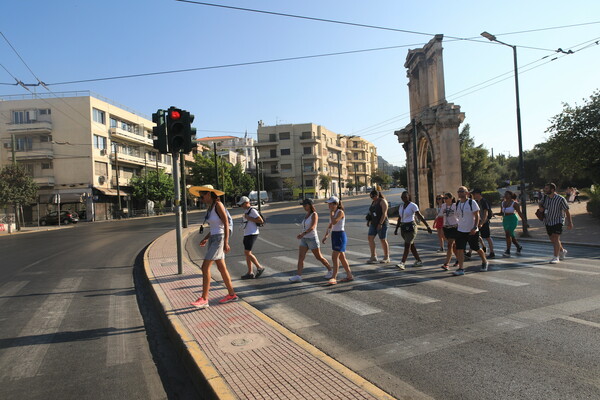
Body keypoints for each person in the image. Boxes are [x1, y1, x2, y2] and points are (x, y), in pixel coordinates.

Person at [190, 185, 237, 309]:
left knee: (205, 267)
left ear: (209, 194)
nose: (201, 199)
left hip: (220, 239)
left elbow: (225, 223)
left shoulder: (218, 205)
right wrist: (206, 238)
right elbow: (214, 227)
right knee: (221, 268)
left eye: (202, 196)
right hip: (213, 239)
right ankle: (232, 294)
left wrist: (226, 242)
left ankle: (204, 299)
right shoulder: (211, 208)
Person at [289, 198, 332, 282]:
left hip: (312, 238)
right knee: (301, 257)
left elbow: (312, 227)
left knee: (318, 257)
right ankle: (298, 276)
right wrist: (302, 234)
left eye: (305, 205)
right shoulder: (307, 214)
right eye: (303, 206)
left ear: (310, 205)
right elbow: (306, 226)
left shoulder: (314, 214)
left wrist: (303, 234)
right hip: (304, 239)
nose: (304, 207)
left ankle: (330, 270)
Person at [452, 186, 489, 276]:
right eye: (458, 191)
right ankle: (461, 268)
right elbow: (457, 215)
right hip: (460, 230)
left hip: (471, 230)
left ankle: (484, 261)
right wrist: (457, 224)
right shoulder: (457, 204)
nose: (460, 193)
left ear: (467, 193)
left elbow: (477, 216)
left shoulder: (472, 202)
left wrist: (475, 227)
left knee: (475, 247)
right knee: (460, 249)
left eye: (462, 191)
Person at [394, 191, 432, 270]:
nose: (404, 198)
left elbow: (420, 216)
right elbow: (399, 218)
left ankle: (402, 263)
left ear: (409, 197)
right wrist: (396, 228)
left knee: (407, 245)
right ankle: (418, 261)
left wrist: (427, 226)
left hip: (411, 227)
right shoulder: (401, 206)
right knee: (411, 245)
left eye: (405, 197)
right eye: (402, 197)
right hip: (403, 227)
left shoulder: (413, 205)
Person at [537, 183, 573, 264]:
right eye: (545, 188)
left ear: (552, 190)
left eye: (547, 188)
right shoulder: (545, 197)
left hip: (558, 221)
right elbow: (540, 203)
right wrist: (540, 207)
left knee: (556, 238)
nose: (545, 190)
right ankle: (562, 251)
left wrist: (570, 222)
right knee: (552, 239)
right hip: (548, 221)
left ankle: (556, 257)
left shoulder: (560, 199)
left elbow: (567, 211)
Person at [321, 196, 353, 285]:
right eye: (328, 204)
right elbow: (331, 225)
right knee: (342, 257)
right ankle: (349, 275)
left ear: (336, 204)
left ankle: (333, 277)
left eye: (331, 204)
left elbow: (334, 222)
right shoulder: (333, 212)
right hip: (334, 235)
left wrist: (331, 213)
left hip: (340, 235)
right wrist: (326, 235)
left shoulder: (340, 212)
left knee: (334, 257)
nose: (329, 206)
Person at [237, 196, 265, 279]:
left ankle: (259, 267)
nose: (241, 206)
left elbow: (260, 220)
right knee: (247, 254)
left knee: (247, 252)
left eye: (242, 204)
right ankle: (250, 272)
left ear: (246, 203)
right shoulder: (246, 211)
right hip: (247, 233)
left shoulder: (252, 210)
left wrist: (249, 218)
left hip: (252, 233)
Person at [496, 190, 525, 257]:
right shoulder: (503, 203)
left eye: (507, 194)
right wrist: (494, 214)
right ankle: (518, 246)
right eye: (505, 194)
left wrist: (524, 221)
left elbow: (519, 212)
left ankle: (508, 250)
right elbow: (501, 213)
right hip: (505, 219)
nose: (505, 195)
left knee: (508, 234)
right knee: (510, 235)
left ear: (510, 195)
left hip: (512, 219)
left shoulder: (514, 203)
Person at [367, 190, 391, 264]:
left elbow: (384, 214)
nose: (372, 198)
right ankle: (373, 256)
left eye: (373, 196)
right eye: (371, 197)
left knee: (383, 239)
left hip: (382, 223)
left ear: (377, 195)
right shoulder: (373, 202)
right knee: (370, 237)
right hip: (373, 223)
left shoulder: (383, 201)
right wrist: (369, 221)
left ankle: (386, 257)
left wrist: (380, 224)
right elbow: (371, 212)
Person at [471, 189, 496, 259]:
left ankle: (492, 252)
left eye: (474, 194)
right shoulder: (476, 202)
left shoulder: (484, 201)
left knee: (487, 237)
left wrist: (482, 223)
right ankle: (470, 252)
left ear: (478, 194)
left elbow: (486, 213)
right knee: (474, 236)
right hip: (478, 222)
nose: (473, 195)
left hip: (484, 222)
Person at [440, 192, 458, 271]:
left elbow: (459, 216)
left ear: (451, 198)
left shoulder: (455, 206)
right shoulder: (443, 206)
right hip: (446, 228)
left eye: (446, 198)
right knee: (453, 247)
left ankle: (446, 264)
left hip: (454, 227)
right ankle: (459, 259)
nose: (445, 199)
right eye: (444, 198)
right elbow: (440, 215)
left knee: (450, 245)